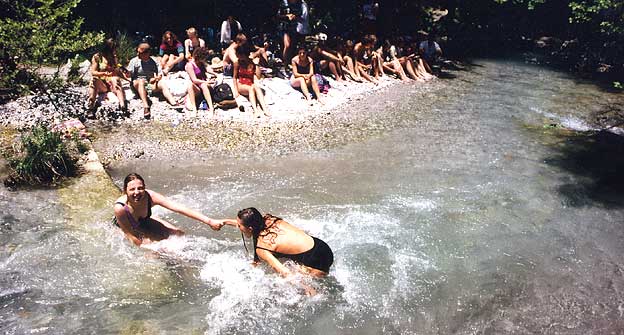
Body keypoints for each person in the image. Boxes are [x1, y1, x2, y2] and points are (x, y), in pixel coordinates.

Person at [113, 173, 223, 247]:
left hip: (144, 221)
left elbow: (179, 208)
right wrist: (151, 248)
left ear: (145, 188)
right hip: (126, 227)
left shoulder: (150, 197)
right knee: (154, 248)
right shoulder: (120, 208)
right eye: (132, 189)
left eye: (140, 188)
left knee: (179, 234)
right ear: (125, 191)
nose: (137, 192)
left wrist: (209, 221)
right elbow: (131, 236)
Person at [224, 207, 333, 278]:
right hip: (322, 246)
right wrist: (224, 222)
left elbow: (285, 272)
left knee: (293, 279)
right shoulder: (270, 219)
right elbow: (249, 224)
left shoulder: (262, 248)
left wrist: (306, 287)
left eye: (239, 226)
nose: (238, 227)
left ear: (250, 228)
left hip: (316, 262)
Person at [126, 42, 182, 119]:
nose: (138, 54)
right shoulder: (134, 61)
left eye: (140, 53)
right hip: (138, 83)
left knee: (162, 83)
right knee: (141, 81)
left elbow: (159, 73)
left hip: (150, 83)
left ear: (147, 53)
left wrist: (158, 77)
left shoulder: (154, 61)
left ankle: (173, 102)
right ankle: (146, 106)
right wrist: (127, 73)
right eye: (138, 52)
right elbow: (130, 75)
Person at [87, 38, 127, 115]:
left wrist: (126, 78)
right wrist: (104, 74)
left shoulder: (113, 57)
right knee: (94, 80)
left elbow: (117, 70)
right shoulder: (97, 57)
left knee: (115, 79)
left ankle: (123, 106)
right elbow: (93, 72)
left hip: (112, 82)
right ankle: (91, 107)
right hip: (102, 83)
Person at [233, 45, 270, 117]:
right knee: (251, 89)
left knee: (257, 88)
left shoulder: (252, 62)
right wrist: (236, 91)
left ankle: (265, 109)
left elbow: (258, 76)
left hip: (250, 82)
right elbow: (234, 77)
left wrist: (256, 65)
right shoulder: (237, 63)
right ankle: (255, 110)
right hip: (241, 83)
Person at [184, 47, 217, 114]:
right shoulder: (190, 65)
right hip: (197, 87)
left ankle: (211, 108)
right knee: (190, 85)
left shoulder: (201, 63)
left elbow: (207, 69)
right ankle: (194, 108)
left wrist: (215, 74)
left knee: (203, 85)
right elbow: (194, 80)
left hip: (204, 85)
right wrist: (206, 82)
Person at [277, 0, 310, 67]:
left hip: (294, 28)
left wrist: (295, 17)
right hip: (284, 27)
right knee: (287, 45)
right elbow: (278, 16)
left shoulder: (300, 4)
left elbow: (303, 17)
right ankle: (285, 65)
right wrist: (286, 16)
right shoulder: (284, 3)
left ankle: (294, 64)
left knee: (293, 47)